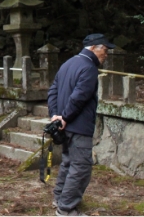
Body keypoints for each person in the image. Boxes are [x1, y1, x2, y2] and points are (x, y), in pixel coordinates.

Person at [48, 33, 114, 216]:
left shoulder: (67, 64)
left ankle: (59, 198)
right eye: (105, 50)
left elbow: (53, 90)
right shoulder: (89, 68)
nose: (106, 55)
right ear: (93, 47)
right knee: (81, 167)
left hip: (65, 124)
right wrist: (65, 117)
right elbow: (79, 97)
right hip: (78, 125)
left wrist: (56, 116)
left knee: (69, 163)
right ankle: (66, 208)